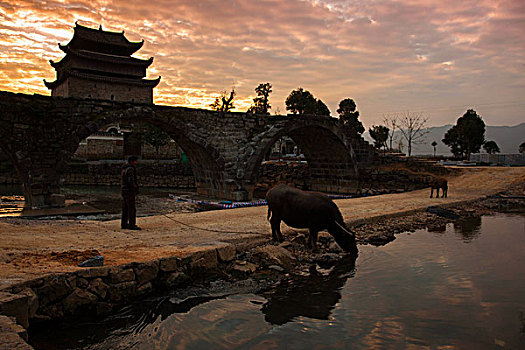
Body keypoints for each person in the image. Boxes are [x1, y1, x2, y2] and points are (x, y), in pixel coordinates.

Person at [121, 155, 141, 230]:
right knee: (131, 208)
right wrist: (135, 189)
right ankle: (132, 224)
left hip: (124, 190)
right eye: (135, 161)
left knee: (125, 208)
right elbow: (131, 181)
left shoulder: (124, 168)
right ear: (132, 161)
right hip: (129, 191)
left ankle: (124, 224)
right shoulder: (130, 169)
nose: (136, 163)